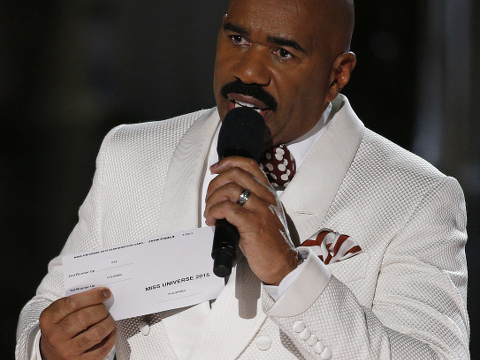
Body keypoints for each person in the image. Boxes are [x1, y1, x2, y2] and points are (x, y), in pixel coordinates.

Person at [16, 0, 469, 358]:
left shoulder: (417, 197)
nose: (248, 72)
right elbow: (46, 312)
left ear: (338, 75)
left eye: (282, 51)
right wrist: (49, 347)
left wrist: (290, 273)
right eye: (237, 38)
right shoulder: (132, 154)